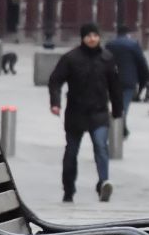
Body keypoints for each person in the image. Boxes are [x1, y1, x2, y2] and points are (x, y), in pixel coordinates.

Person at [48, 22, 124, 203]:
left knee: (101, 147)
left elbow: (115, 86)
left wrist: (117, 109)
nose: (92, 39)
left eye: (95, 35)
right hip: (76, 113)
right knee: (72, 151)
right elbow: (55, 81)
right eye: (88, 35)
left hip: (99, 112)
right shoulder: (71, 58)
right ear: (83, 38)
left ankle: (103, 183)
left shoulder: (107, 58)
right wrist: (55, 103)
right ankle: (68, 189)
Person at [105, 24, 149, 133]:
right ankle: (121, 127)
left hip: (112, 79)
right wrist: (147, 76)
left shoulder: (110, 44)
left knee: (115, 102)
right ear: (128, 34)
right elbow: (141, 61)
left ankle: (118, 126)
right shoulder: (133, 44)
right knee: (124, 104)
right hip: (129, 79)